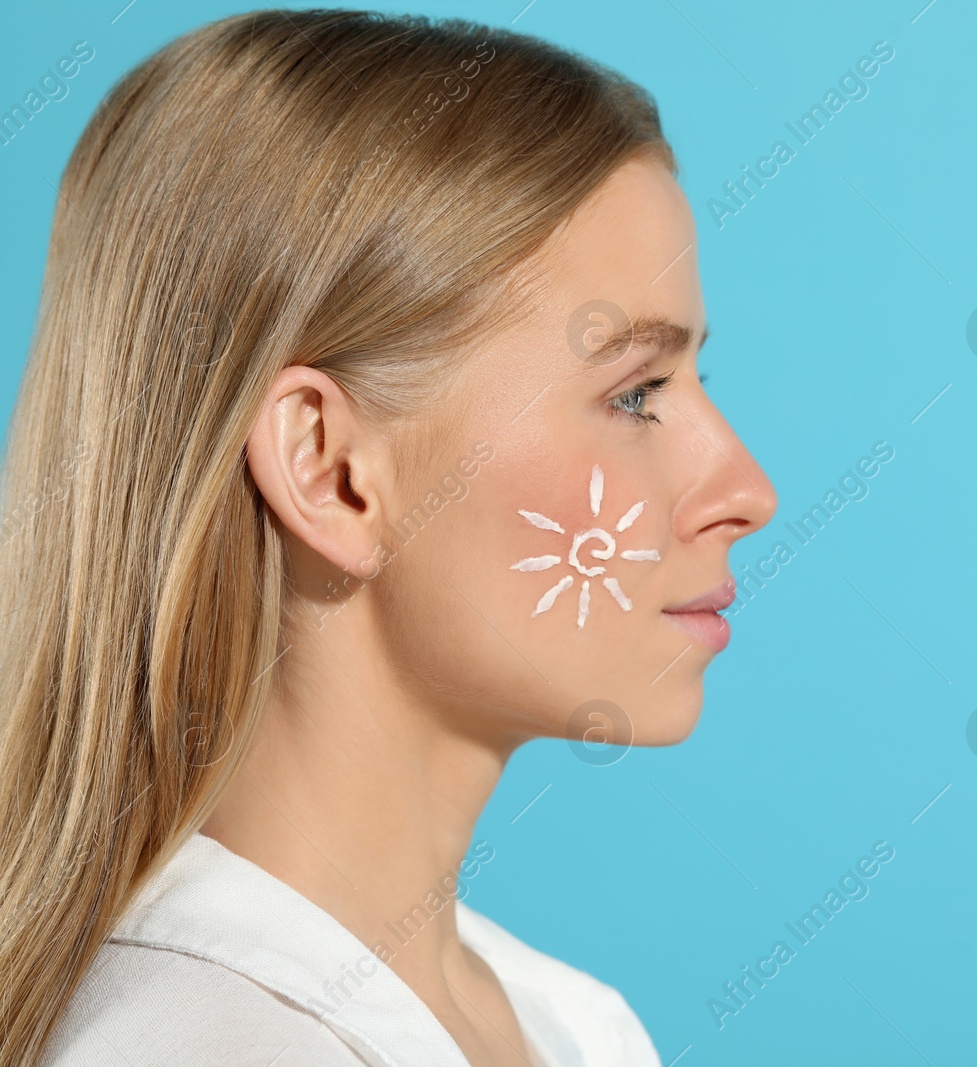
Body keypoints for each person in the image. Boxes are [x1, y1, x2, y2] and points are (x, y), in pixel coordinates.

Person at [0, 9, 777, 1065]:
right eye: (635, 392)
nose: (744, 488)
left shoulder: (569, 1022)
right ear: (332, 472)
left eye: (691, 381)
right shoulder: (211, 1043)